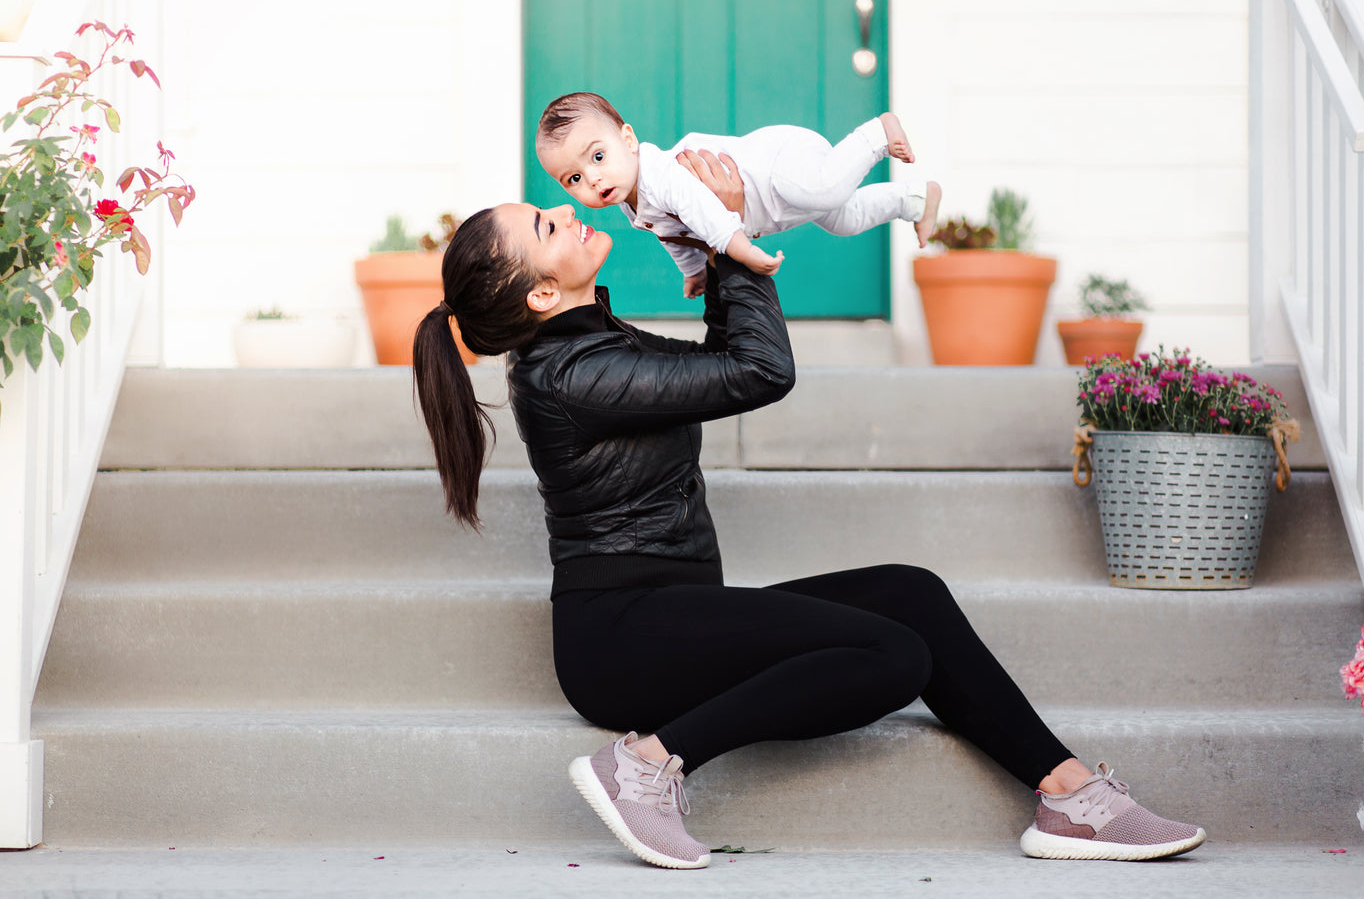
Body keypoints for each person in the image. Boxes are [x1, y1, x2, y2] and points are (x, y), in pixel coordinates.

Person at [411, 152, 1204, 870]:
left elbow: (718, 369)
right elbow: (760, 372)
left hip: (670, 608)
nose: (571, 212)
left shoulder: (588, 344)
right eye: (549, 225)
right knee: (896, 656)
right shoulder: (567, 373)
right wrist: (734, 233)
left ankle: (1068, 796)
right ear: (542, 292)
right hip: (622, 636)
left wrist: (723, 246)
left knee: (910, 592)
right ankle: (648, 764)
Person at [534, 91, 942, 298]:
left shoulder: (660, 174)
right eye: (572, 179)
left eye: (599, 156)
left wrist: (740, 248)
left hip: (776, 166)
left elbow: (703, 212)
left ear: (629, 139)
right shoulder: (631, 201)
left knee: (825, 189)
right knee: (843, 218)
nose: (592, 178)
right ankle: (914, 200)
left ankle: (877, 133)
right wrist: (693, 272)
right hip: (775, 203)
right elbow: (676, 236)